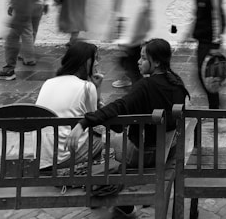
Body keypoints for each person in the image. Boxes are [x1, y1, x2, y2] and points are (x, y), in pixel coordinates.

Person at [66, 38, 189, 219]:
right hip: (169, 150)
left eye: (143, 58)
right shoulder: (177, 83)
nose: (138, 62)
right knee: (115, 138)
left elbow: (120, 108)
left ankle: (105, 191)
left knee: (106, 140)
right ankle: (124, 203)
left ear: (156, 62)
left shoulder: (145, 86)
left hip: (145, 156)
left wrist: (84, 123)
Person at [35, 41, 104, 169]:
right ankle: (86, 172)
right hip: (64, 157)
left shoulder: (48, 82)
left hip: (42, 158)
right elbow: (96, 122)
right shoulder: (87, 87)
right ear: (86, 62)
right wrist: (96, 88)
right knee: (99, 140)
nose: (97, 63)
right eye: (95, 59)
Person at [186, 0, 226, 109]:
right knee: (203, 74)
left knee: (207, 75)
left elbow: (218, 19)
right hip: (202, 42)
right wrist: (190, 31)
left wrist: (215, 45)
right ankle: (214, 103)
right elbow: (200, 17)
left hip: (210, 43)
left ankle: (214, 107)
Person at [111, 0, 153, 89]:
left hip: (132, 36)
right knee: (134, 67)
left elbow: (131, 13)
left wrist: (125, 40)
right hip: (139, 33)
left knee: (133, 69)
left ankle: (139, 99)